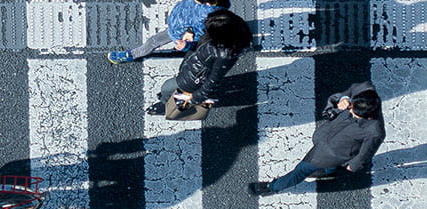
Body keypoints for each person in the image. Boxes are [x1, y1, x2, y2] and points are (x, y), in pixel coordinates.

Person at [249, 82, 384, 196]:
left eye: (354, 113)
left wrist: (354, 166)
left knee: (301, 170)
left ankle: (272, 187)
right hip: (326, 136)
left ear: (369, 118)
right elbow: (353, 89)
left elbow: (366, 153)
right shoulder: (366, 89)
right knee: (328, 166)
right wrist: (345, 98)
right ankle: (329, 171)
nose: (349, 111)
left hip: (331, 153)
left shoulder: (375, 132)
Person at [144, 9, 252, 115]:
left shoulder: (224, 54)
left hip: (194, 79)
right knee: (169, 88)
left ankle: (165, 103)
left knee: (167, 87)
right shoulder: (225, 34)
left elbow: (213, 80)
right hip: (192, 69)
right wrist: (189, 37)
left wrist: (196, 98)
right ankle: (168, 97)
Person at [106, 0, 225, 64]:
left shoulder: (209, 16)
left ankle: (131, 55)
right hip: (175, 27)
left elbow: (201, 39)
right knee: (153, 41)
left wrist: (186, 44)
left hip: (178, 34)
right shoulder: (200, 5)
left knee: (153, 41)